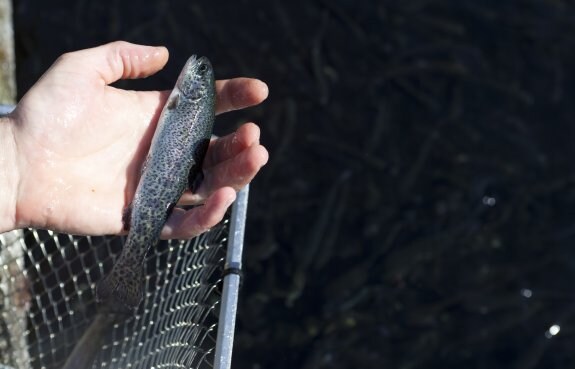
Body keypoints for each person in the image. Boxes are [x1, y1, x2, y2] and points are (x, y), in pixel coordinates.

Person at [0, 41, 269, 238]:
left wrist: (15, 158)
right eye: (201, 75)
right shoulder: (182, 102)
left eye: (198, 76)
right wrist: (15, 156)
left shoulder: (180, 100)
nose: (197, 69)